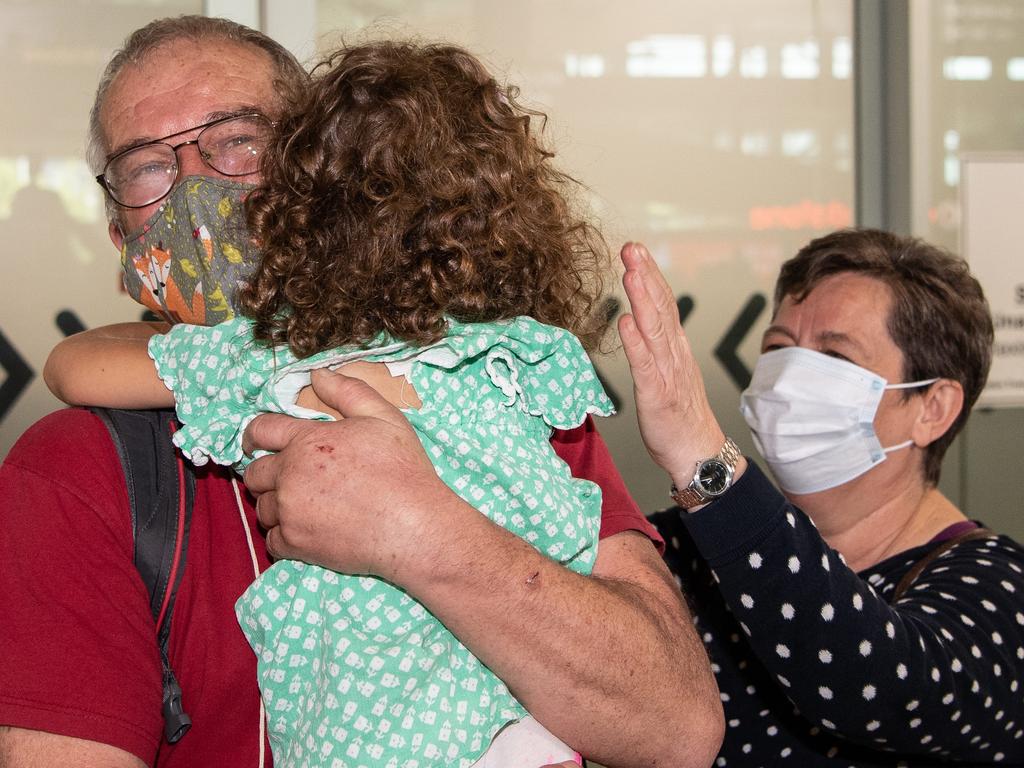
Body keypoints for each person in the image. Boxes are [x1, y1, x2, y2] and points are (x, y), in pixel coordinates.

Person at [0, 15, 723, 768]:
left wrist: (417, 532)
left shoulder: (497, 388)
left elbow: (675, 727)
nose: (198, 186)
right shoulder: (78, 472)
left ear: (329, 175)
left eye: (239, 139)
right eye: (148, 166)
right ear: (122, 238)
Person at [618, 231, 1024, 766]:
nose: (787, 381)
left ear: (932, 408)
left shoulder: (998, 585)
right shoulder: (691, 545)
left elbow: (874, 683)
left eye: (834, 355)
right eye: (778, 348)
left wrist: (702, 455)